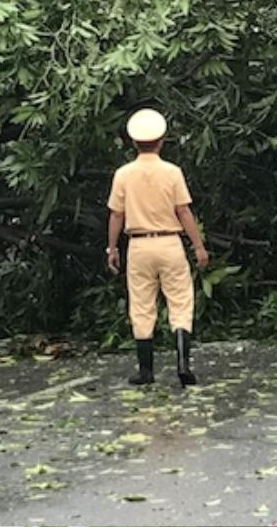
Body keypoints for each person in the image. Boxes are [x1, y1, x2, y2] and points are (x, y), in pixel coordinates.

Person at [107, 109, 209, 387]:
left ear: (133, 142)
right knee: (180, 301)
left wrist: (112, 248)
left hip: (139, 245)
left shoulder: (123, 174)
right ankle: (182, 363)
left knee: (141, 305)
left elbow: (116, 214)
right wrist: (198, 246)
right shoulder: (172, 172)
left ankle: (146, 371)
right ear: (162, 140)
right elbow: (184, 212)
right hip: (170, 243)